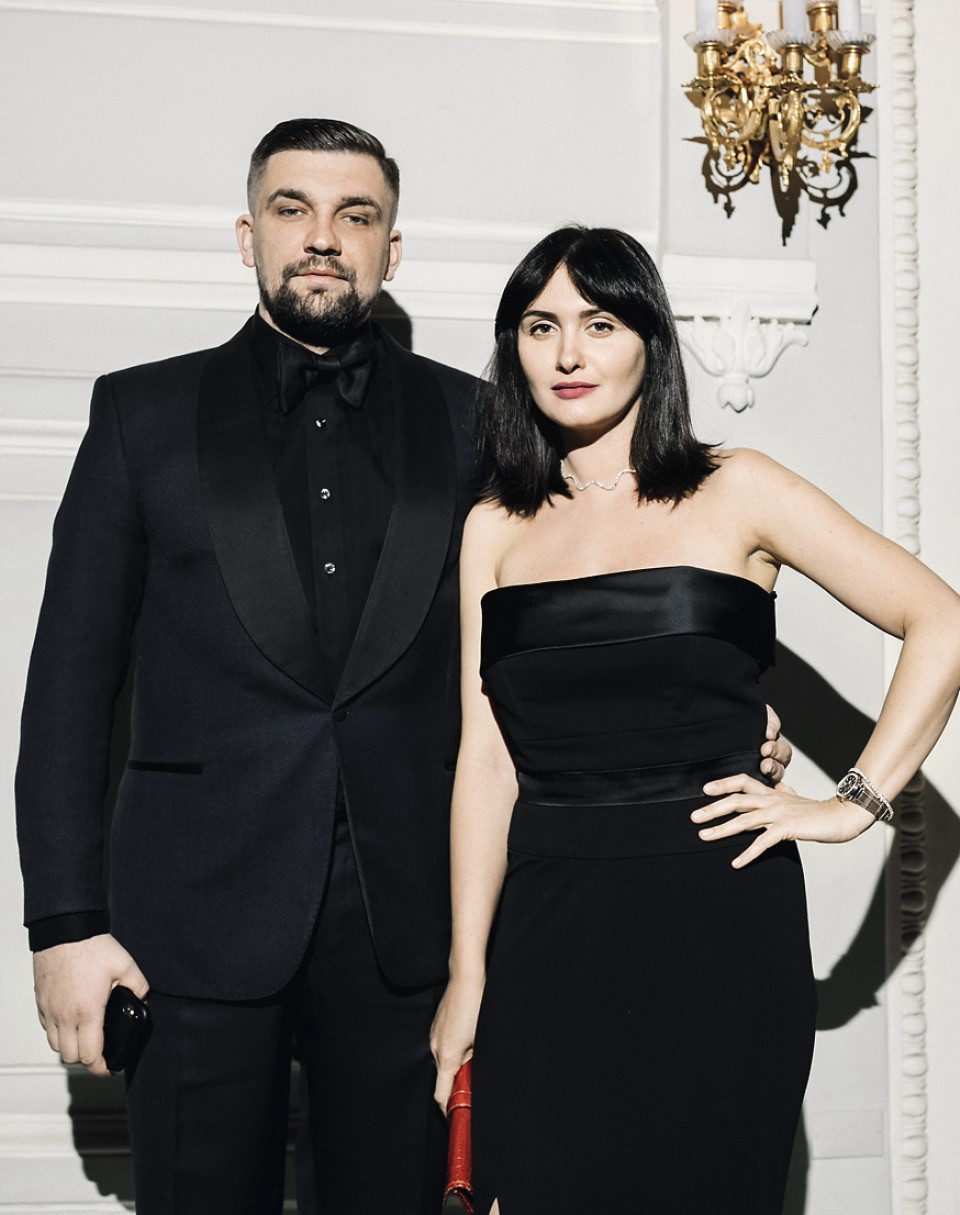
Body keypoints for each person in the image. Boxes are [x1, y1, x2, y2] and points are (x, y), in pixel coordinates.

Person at [15, 124, 790, 1213]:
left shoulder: (476, 421)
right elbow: (66, 688)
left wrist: (713, 715)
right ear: (247, 235)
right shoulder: (141, 414)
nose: (322, 238)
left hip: (412, 933)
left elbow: (573, 596)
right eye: (292, 209)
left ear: (392, 249)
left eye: (356, 216)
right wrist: (64, 926)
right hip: (192, 926)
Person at [430, 226, 960, 1215]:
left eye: (600, 322)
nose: (569, 352)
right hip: (549, 934)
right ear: (514, 348)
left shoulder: (738, 487)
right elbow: (486, 761)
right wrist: (467, 971)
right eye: (541, 326)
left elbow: (942, 620)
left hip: (719, 926)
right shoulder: (493, 528)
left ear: (650, 339)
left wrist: (849, 804)